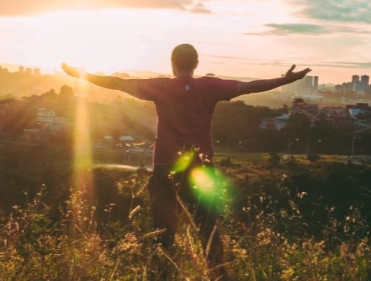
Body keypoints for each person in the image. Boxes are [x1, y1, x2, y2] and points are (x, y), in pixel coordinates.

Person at [62, 43, 311, 280]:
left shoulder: (162, 87)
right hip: (201, 168)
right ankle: (218, 277)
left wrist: (81, 75)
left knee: (163, 232)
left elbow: (117, 83)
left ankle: (161, 276)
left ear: (172, 64)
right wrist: (287, 79)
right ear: (196, 63)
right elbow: (251, 86)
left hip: (165, 168)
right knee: (208, 230)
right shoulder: (211, 87)